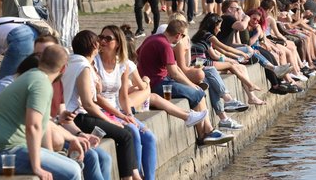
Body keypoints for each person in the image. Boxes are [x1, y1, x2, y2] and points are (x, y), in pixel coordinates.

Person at [0, 45, 83, 179]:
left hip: (5, 152)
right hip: (2, 155)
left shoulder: (34, 76)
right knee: (73, 170)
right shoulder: (40, 84)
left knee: (74, 164)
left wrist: (62, 148)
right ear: (64, 68)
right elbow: (33, 126)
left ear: (40, 61)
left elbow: (43, 127)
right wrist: (37, 167)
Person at [136, 19, 234, 146]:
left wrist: (191, 84)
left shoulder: (152, 39)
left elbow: (139, 55)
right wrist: (191, 85)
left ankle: (206, 134)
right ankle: (206, 134)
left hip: (155, 82)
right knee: (198, 94)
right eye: (183, 37)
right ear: (178, 35)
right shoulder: (165, 45)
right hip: (159, 85)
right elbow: (174, 73)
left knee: (198, 92)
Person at [63, 30, 142, 180]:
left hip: (69, 116)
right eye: (99, 40)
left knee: (121, 137)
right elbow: (88, 104)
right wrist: (110, 121)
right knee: (125, 135)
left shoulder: (71, 61)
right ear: (94, 45)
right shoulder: (83, 66)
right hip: (77, 117)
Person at [95, 25, 157, 180]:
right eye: (101, 37)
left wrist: (129, 115)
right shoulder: (94, 62)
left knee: (149, 137)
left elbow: (123, 96)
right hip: (102, 111)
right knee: (133, 132)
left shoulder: (121, 63)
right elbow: (95, 97)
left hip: (119, 110)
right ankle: (135, 175)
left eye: (108, 38)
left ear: (118, 43)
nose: (103, 41)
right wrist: (124, 118)